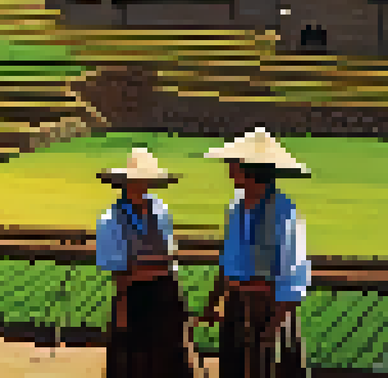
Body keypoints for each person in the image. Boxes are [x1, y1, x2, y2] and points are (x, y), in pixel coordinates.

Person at [197, 128, 312, 378]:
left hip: (268, 308)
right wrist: (213, 303)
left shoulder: (284, 212)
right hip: (237, 306)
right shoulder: (236, 208)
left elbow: (294, 275)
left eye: (233, 163)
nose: (228, 168)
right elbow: (227, 262)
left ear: (249, 168)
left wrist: (275, 324)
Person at [94, 148, 199, 378]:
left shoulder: (161, 210)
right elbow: (120, 273)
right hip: (135, 298)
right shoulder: (111, 219)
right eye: (136, 181)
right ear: (124, 183)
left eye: (145, 181)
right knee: (134, 363)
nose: (142, 186)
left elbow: (171, 255)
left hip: (165, 296)